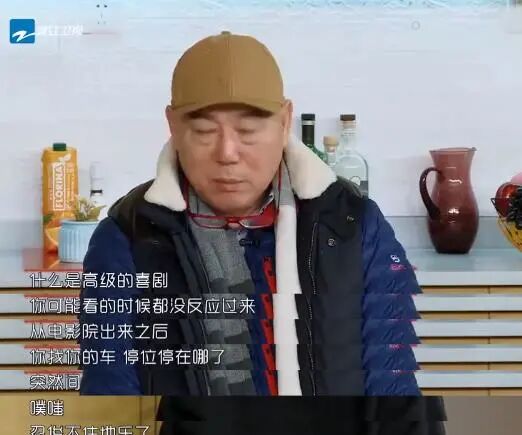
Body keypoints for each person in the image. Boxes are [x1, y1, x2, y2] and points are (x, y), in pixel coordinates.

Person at [79, 31, 446, 435]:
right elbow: (109, 403)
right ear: (173, 126)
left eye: (249, 130)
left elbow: (395, 394)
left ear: (285, 121)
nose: (227, 153)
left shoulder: (354, 226)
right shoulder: (126, 238)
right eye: (204, 131)